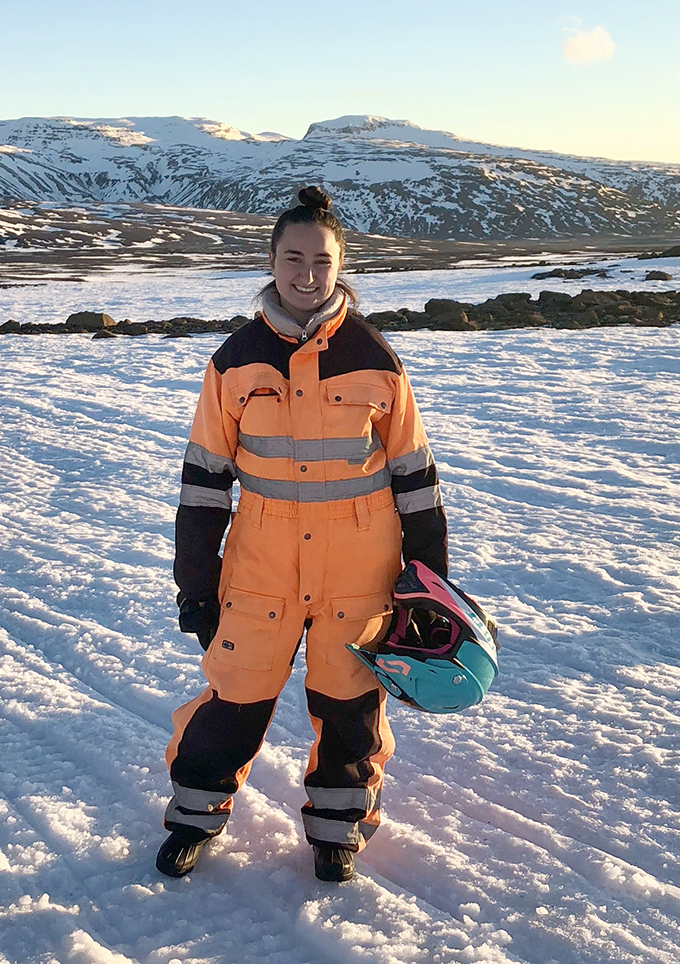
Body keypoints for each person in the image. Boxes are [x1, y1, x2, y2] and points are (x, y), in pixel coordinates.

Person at [157, 186, 448, 882]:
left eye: (322, 260)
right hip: (261, 563)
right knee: (235, 693)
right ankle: (195, 816)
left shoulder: (375, 358)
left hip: (361, 565)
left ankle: (338, 828)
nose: (307, 274)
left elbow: (415, 476)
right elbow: (203, 480)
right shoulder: (236, 360)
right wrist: (196, 583)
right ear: (272, 260)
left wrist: (428, 582)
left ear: (340, 265)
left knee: (349, 700)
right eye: (294, 258)